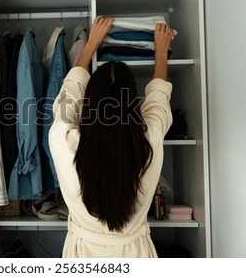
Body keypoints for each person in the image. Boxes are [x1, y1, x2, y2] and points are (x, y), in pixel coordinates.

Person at [49, 16, 175, 257]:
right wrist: (161, 51)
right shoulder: (147, 143)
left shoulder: (64, 140)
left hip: (81, 254)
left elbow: (68, 96)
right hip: (135, 253)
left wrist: (90, 46)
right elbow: (159, 100)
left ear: (90, 103)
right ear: (132, 103)